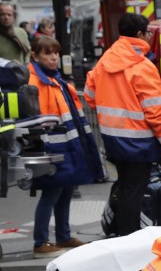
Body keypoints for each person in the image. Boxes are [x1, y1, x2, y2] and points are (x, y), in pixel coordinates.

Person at [85, 13, 161, 236]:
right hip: (139, 142)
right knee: (134, 192)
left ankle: (118, 232)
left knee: (124, 187)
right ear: (140, 34)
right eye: (148, 32)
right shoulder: (142, 66)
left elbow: (89, 95)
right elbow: (155, 110)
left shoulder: (105, 60)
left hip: (111, 138)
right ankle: (128, 238)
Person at [27, 36, 105, 258]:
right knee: (52, 192)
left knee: (66, 190)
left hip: (66, 146)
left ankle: (63, 235)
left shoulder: (55, 80)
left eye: (55, 53)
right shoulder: (37, 82)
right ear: (36, 56)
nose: (53, 58)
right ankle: (40, 241)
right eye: (47, 54)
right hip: (54, 147)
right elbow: (39, 119)